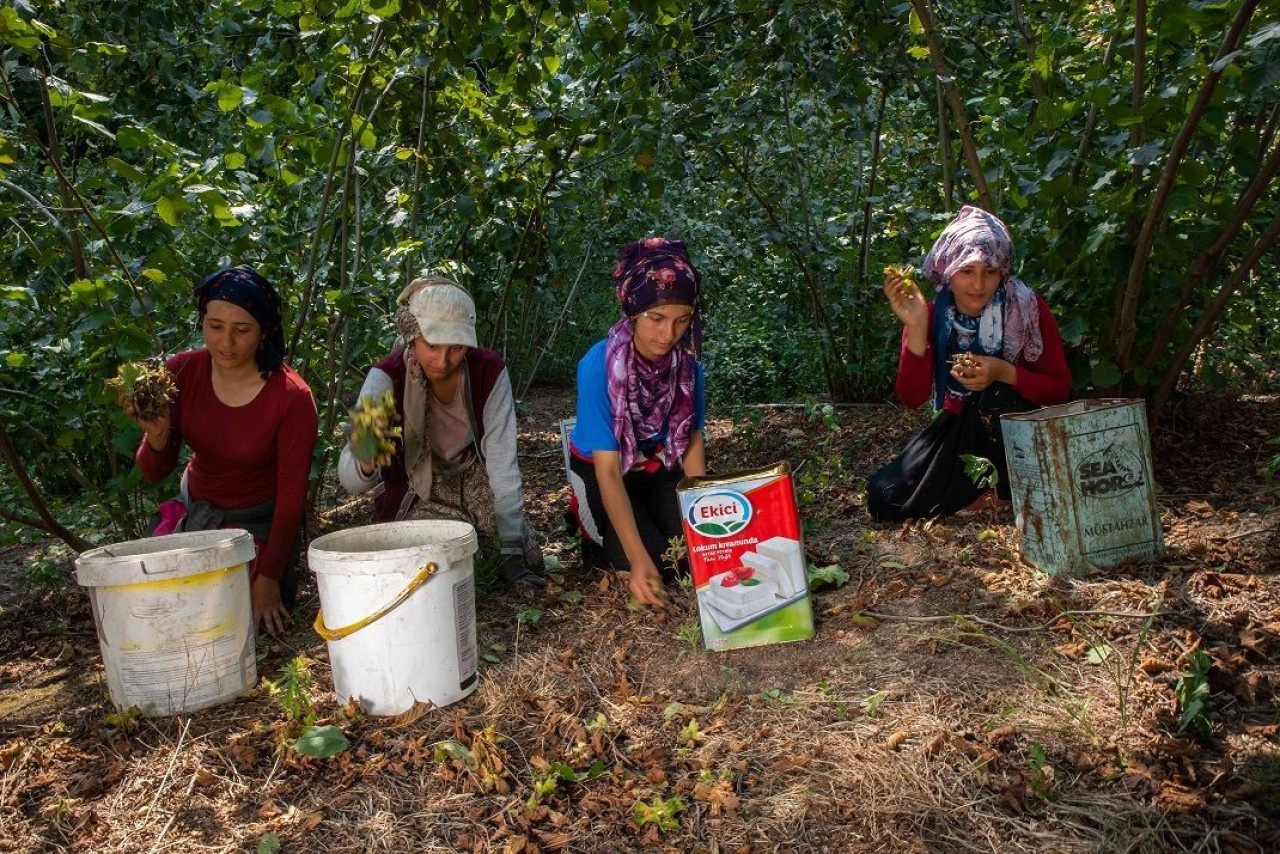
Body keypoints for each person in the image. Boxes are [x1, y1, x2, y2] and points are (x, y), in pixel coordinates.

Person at [136, 265, 320, 634]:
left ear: (264, 331)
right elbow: (155, 471)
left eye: (242, 330)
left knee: (220, 617)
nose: (226, 343)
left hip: (259, 524)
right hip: (197, 512)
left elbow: (290, 500)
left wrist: (268, 579)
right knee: (154, 603)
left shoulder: (291, 398)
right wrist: (156, 438)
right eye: (215, 326)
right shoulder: (181, 372)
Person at [338, 276, 544, 589]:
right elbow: (351, 481)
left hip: (472, 477)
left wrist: (512, 548)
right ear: (412, 338)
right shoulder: (386, 379)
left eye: (456, 348)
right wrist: (367, 454)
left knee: (526, 556)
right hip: (417, 488)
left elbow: (502, 462)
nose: (442, 361)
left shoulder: (487, 371)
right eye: (431, 346)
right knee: (445, 565)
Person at [867, 206, 1071, 521]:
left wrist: (1004, 372)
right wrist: (918, 327)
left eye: (989, 272)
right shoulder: (931, 314)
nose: (978, 286)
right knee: (885, 496)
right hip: (959, 428)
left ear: (1002, 271)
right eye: (967, 271)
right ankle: (996, 493)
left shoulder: (1026, 309)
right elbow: (912, 397)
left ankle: (1006, 486)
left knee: (993, 397)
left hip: (1019, 431)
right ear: (949, 271)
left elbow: (1059, 390)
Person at [568, 237, 707, 607]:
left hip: (659, 464)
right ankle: (587, 524)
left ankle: (646, 527)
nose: (668, 335)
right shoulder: (598, 367)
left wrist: (704, 516)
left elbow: (691, 442)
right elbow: (608, 472)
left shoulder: (688, 368)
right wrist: (638, 558)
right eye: (656, 319)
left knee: (691, 556)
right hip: (605, 470)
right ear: (633, 311)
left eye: (682, 321)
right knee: (653, 561)